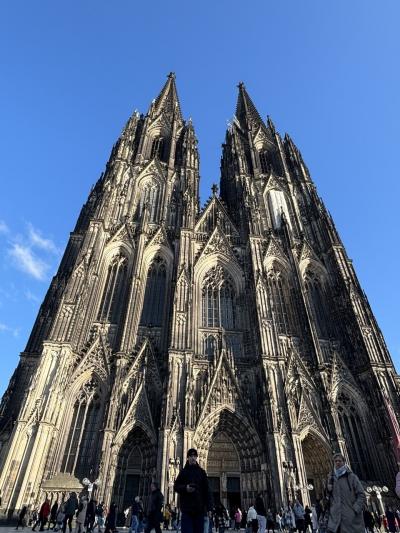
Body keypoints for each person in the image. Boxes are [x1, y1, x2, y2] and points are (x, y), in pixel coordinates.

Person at [174, 448, 211, 533]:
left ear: (197, 457)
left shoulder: (202, 472)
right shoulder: (183, 472)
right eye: (191, 456)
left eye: (194, 456)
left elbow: (207, 491)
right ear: (188, 458)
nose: (193, 458)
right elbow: (176, 486)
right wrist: (185, 488)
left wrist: (209, 508)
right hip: (187, 509)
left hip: (199, 510)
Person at [326, 452, 365, 533]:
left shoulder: (352, 477)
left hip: (351, 518)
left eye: (340, 461)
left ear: (344, 462)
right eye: (336, 461)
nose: (337, 462)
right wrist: (328, 490)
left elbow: (361, 494)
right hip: (336, 519)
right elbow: (328, 498)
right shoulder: (331, 478)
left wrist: (355, 510)